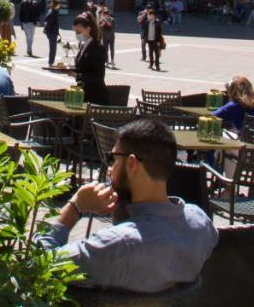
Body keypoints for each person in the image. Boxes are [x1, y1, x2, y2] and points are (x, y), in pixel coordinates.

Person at [33, 118, 218, 294]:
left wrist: (76, 206)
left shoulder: (116, 245)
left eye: (113, 159)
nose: (110, 169)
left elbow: (38, 265)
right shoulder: (201, 223)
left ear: (131, 164)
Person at [73, 13, 109, 105]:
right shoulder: (82, 44)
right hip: (83, 93)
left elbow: (99, 76)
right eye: (75, 32)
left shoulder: (97, 47)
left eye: (79, 32)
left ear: (88, 29)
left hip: (95, 97)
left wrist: (77, 76)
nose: (77, 35)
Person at [140, 4, 163, 71]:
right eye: (149, 15)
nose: (150, 16)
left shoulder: (157, 22)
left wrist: (159, 41)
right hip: (150, 39)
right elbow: (145, 30)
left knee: (156, 54)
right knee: (150, 53)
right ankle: (151, 64)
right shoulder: (147, 22)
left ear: (154, 15)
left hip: (156, 40)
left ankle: (157, 65)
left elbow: (159, 33)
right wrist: (144, 38)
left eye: (151, 15)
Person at [42, 0, 63, 67]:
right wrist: (46, 29)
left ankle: (51, 61)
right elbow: (48, 22)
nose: (59, 6)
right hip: (51, 32)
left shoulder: (52, 10)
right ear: (56, 5)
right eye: (59, 4)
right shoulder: (53, 12)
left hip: (52, 31)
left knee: (53, 47)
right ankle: (51, 62)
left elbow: (46, 21)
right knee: (53, 48)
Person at [97, 2, 117, 69]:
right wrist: (103, 22)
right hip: (104, 35)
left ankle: (112, 60)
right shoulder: (102, 20)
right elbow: (100, 26)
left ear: (109, 15)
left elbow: (111, 25)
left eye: (107, 14)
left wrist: (107, 21)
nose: (106, 16)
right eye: (104, 14)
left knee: (112, 48)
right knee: (105, 49)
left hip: (111, 35)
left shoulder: (112, 19)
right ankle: (106, 61)